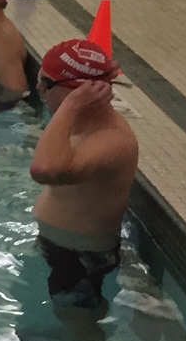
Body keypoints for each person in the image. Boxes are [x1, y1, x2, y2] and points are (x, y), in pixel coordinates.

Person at [30, 39, 138, 312]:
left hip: (81, 260)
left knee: (78, 329)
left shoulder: (111, 140)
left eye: (47, 83)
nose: (39, 88)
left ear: (78, 92)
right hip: (62, 248)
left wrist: (69, 106)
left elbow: (44, 170)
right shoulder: (81, 124)